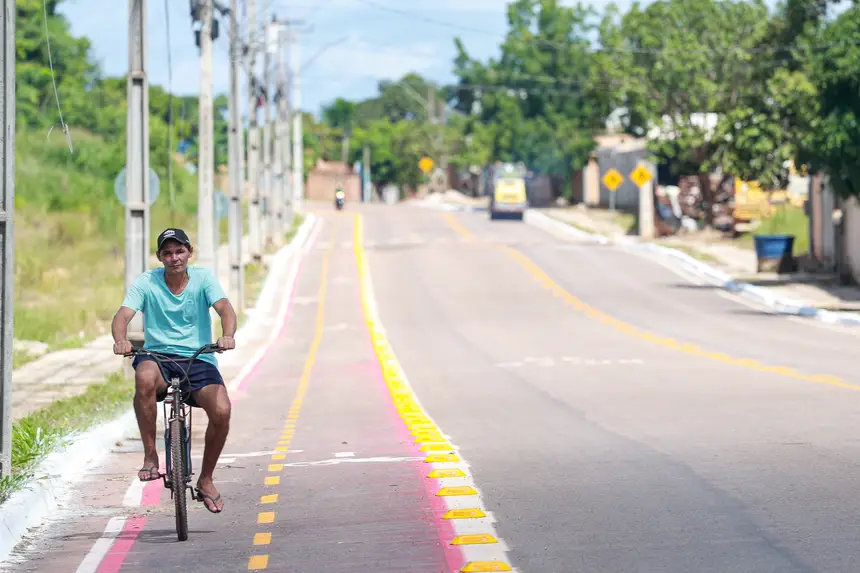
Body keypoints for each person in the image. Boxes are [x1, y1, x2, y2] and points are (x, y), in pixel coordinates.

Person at [111, 228, 237, 514]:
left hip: (198, 357)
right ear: (160, 257)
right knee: (143, 377)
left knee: (222, 411)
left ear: (189, 252)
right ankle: (150, 457)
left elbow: (225, 309)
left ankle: (206, 480)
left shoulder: (203, 278)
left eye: (180, 251)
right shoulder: (147, 281)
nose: (174, 257)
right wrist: (121, 340)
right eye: (167, 253)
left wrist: (227, 335)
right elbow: (122, 316)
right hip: (157, 357)